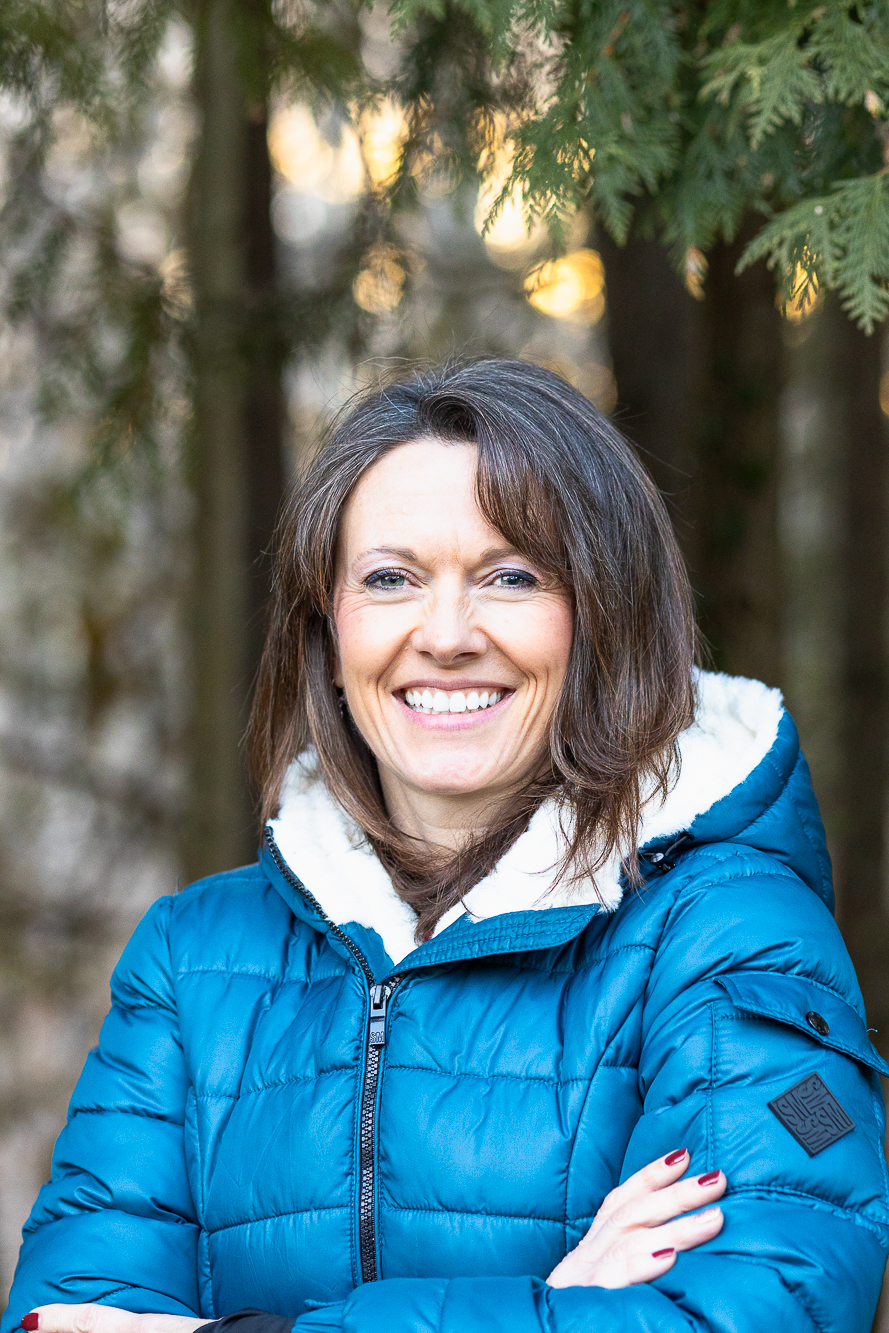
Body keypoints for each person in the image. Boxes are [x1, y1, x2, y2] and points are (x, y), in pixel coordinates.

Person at [3, 358, 888, 1333]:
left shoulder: (734, 935)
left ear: (605, 617)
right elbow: (66, 1319)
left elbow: (760, 1311)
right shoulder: (192, 957)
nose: (447, 633)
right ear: (326, 631)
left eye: (512, 576)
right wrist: (556, 1307)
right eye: (390, 579)